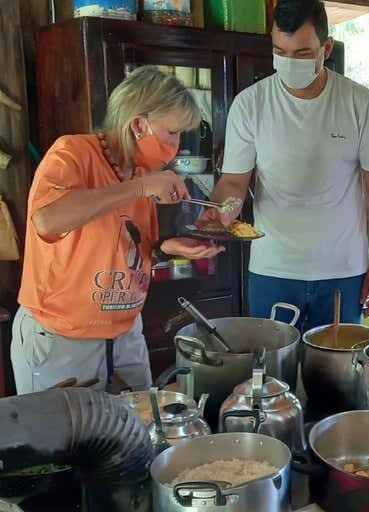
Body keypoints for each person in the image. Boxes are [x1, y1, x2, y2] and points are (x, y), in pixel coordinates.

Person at [11, 66, 224, 394]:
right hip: (62, 336)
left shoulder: (138, 173)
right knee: (68, 427)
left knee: (138, 422)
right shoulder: (73, 154)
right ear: (139, 124)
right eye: (172, 132)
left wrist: (168, 248)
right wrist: (141, 187)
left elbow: (128, 248)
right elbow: (48, 219)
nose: (176, 145)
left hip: (125, 332)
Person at [200, 0, 369, 329]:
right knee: (273, 363)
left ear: (326, 48)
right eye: (281, 52)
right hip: (273, 268)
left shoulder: (359, 103)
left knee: (337, 363)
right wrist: (220, 211)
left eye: (303, 53)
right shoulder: (250, 104)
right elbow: (234, 183)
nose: (290, 62)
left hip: (344, 270)